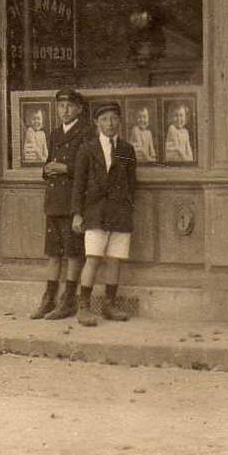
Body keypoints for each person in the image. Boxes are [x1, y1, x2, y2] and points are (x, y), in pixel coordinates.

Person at [71, 102, 137, 326]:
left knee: (115, 260)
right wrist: (78, 214)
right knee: (93, 258)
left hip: (119, 212)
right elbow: (78, 185)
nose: (110, 123)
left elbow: (131, 182)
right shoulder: (87, 149)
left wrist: (127, 206)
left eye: (114, 119)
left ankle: (109, 305)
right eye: (105, 119)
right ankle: (84, 307)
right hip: (95, 213)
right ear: (97, 123)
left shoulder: (126, 150)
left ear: (120, 121)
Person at [29, 87, 92, 320]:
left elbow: (90, 169)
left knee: (74, 252)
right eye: (61, 106)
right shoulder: (54, 134)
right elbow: (48, 163)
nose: (64, 111)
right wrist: (46, 170)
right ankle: (48, 298)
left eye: (69, 106)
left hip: (73, 201)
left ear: (79, 109)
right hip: (54, 200)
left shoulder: (87, 132)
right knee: (53, 253)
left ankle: (68, 301)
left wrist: (66, 168)